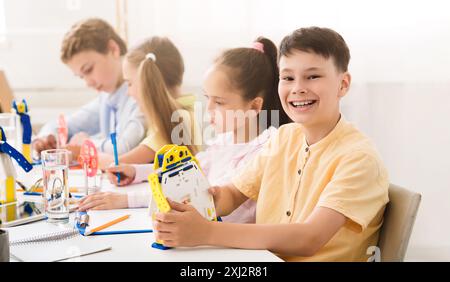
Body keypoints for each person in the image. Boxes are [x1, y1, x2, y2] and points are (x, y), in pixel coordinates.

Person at [152, 27, 390, 262]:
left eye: (313, 76)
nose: (297, 88)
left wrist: (206, 232)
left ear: (343, 84)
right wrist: (194, 203)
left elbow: (309, 238)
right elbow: (232, 195)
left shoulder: (359, 158)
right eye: (287, 78)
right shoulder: (284, 137)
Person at [33, 18, 146, 160]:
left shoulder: (140, 93)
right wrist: (45, 138)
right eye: (81, 77)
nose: (88, 83)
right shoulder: (107, 97)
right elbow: (63, 125)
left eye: (88, 70)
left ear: (113, 49)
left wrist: (86, 144)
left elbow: (124, 148)